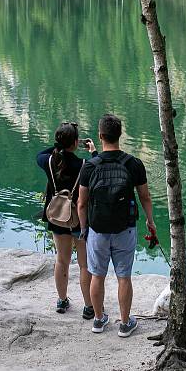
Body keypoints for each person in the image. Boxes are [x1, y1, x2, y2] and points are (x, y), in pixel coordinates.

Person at [77, 114, 155, 337]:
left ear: (100, 136)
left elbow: (81, 203)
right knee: (124, 277)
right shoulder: (133, 164)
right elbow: (145, 197)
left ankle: (99, 320)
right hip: (125, 228)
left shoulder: (90, 166)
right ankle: (124, 323)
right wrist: (150, 221)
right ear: (120, 135)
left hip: (97, 230)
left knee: (97, 276)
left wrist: (84, 229)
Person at [36, 122, 97, 318]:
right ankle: (88, 306)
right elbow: (99, 166)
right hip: (80, 220)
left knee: (61, 260)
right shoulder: (85, 165)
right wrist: (93, 151)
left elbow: (39, 154)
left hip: (58, 217)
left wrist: (58, 147)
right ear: (76, 143)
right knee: (84, 264)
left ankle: (62, 301)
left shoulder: (48, 161)